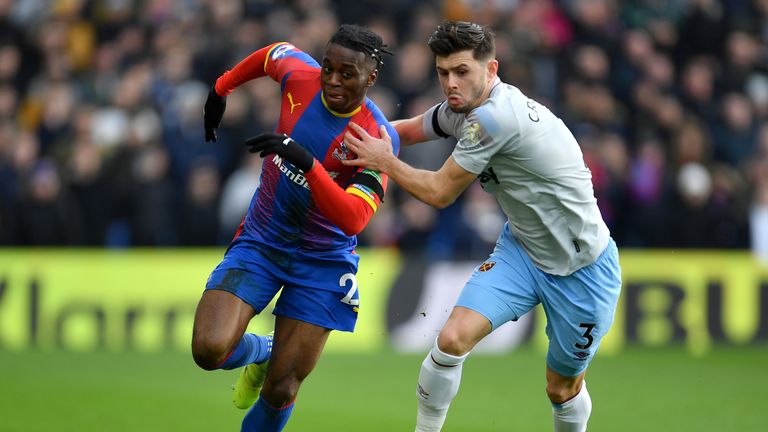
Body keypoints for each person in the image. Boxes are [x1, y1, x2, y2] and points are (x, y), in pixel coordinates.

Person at [342, 21, 622, 432]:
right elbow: (401, 132)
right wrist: (339, 137)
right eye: (443, 73)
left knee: (560, 388)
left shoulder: (494, 119)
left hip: (583, 270)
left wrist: (382, 160)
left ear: (491, 70)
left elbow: (439, 192)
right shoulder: (465, 109)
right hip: (523, 251)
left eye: (462, 72)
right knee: (451, 339)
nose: (450, 83)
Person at [191, 24, 399, 432]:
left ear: (371, 78)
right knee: (208, 350)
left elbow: (354, 218)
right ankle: (263, 350)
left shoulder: (377, 139)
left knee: (281, 389)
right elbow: (271, 53)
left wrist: (307, 163)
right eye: (328, 68)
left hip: (322, 262)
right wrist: (219, 90)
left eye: (347, 74)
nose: (333, 80)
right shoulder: (299, 75)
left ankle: (274, 366)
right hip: (262, 240)